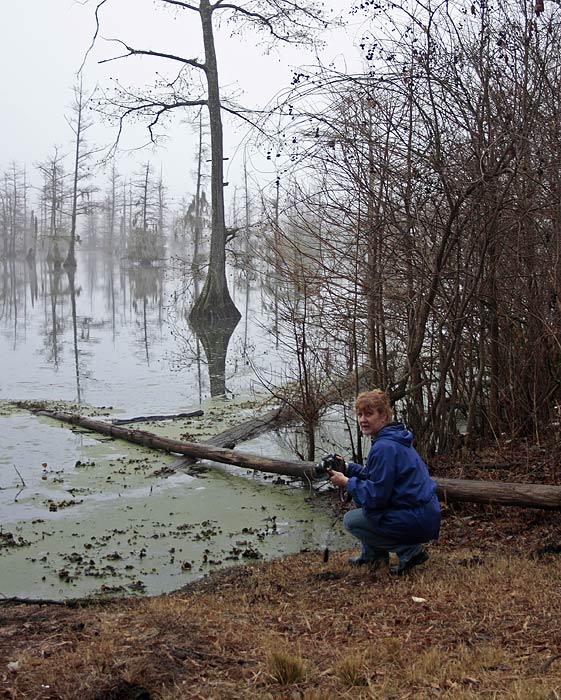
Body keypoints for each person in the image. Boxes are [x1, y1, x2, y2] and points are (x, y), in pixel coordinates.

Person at [326, 389, 441, 575]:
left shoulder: (384, 447)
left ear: (384, 416)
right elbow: (376, 479)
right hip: (421, 513)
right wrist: (347, 468)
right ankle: (373, 556)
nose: (363, 419)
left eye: (369, 414)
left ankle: (410, 552)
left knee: (351, 520)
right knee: (361, 500)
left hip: (416, 517)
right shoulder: (391, 439)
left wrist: (347, 482)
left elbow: (377, 496)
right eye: (360, 414)